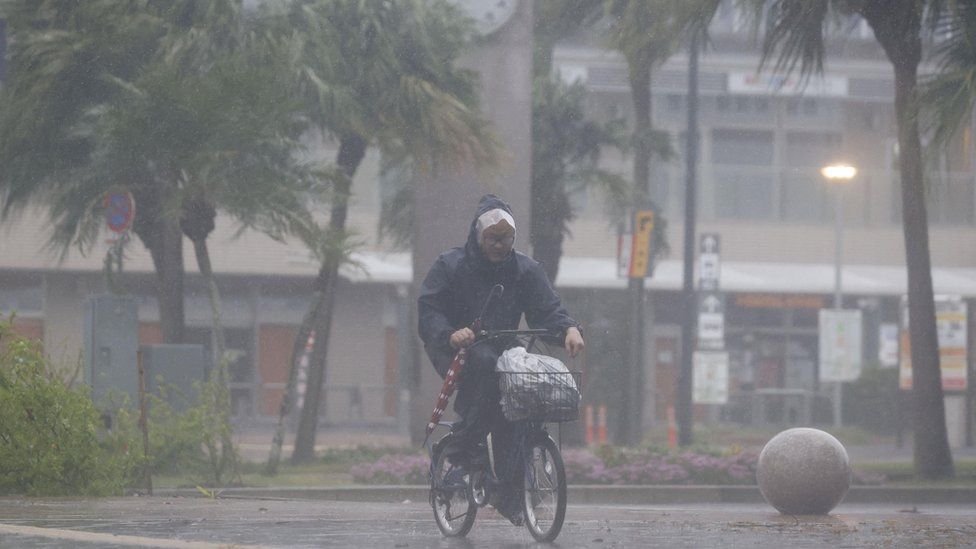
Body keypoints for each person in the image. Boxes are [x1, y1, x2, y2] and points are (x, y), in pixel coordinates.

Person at [418, 194, 584, 525]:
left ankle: (508, 492)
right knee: (482, 366)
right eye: (492, 239)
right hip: (456, 348)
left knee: (517, 402)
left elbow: (547, 307)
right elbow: (429, 309)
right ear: (478, 237)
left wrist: (568, 329)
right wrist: (450, 333)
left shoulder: (525, 269)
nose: (499, 245)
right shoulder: (450, 265)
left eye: (506, 239)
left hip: (504, 348)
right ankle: (464, 447)